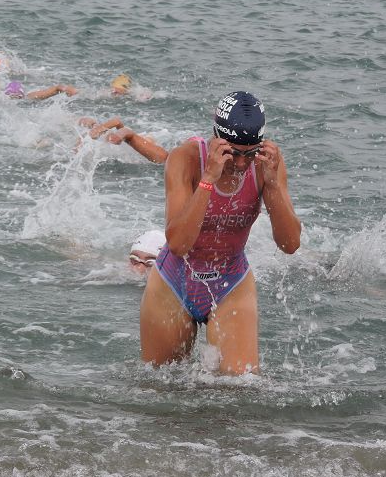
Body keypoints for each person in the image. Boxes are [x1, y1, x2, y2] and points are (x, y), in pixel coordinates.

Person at [139, 91, 301, 375]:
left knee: (241, 391)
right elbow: (178, 244)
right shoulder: (184, 159)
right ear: (216, 137)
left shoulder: (267, 164)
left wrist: (272, 184)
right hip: (173, 281)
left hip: (231, 282)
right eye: (233, 153)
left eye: (250, 154)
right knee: (157, 388)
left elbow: (290, 244)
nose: (240, 164)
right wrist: (208, 178)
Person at [80, 117, 169, 164]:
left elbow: (119, 124)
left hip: (128, 139)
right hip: (123, 137)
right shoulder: (103, 136)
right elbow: (122, 127)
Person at [3, 80, 78, 101]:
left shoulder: (29, 96)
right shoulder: (2, 99)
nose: (15, 95)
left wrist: (66, 89)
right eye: (12, 94)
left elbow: (56, 88)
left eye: (17, 94)